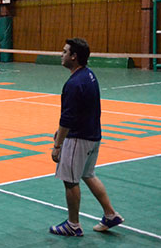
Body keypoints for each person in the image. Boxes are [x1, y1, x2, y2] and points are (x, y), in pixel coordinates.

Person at [49, 38, 123, 236]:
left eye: (65, 52)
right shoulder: (89, 75)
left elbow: (67, 118)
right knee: (88, 174)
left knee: (70, 181)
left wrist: (58, 145)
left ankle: (73, 225)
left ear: (74, 57)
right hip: (93, 135)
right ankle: (110, 214)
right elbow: (80, 110)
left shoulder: (74, 84)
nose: (61, 54)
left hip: (78, 139)